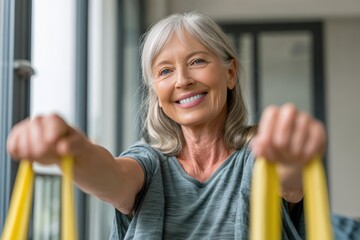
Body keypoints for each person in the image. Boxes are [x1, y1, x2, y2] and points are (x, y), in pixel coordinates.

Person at [6, 12, 334, 239]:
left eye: (197, 61)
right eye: (165, 71)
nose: (183, 80)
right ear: (156, 92)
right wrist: (72, 147)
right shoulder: (149, 163)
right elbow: (112, 177)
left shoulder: (260, 152)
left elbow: (289, 181)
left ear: (230, 73)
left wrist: (293, 155)